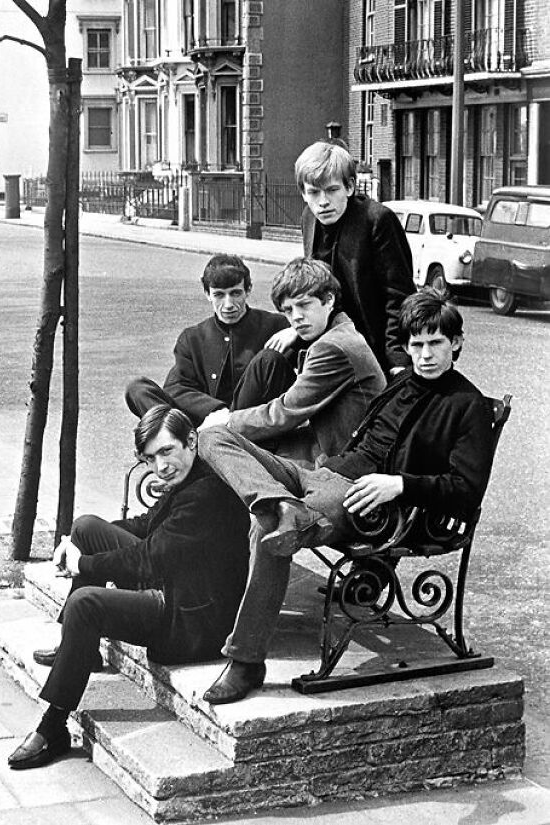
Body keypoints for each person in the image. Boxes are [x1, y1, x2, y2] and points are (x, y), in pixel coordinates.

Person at [197, 289, 495, 704]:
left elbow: (466, 491)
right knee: (212, 436)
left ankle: (245, 660)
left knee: (267, 531)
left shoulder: (468, 406)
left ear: (456, 343)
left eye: (435, 344)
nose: (425, 355)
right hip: (323, 473)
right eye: (416, 345)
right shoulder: (403, 382)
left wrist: (401, 484)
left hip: (367, 503)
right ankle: (278, 503)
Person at [7, 405, 250, 770]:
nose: (161, 466)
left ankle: (53, 726)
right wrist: (75, 543)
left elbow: (147, 558)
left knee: (85, 605)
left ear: (191, 441)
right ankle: (80, 652)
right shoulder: (190, 475)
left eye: (167, 451)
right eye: (151, 458)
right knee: (87, 526)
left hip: (191, 617)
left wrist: (82, 564)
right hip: (176, 583)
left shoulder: (207, 494)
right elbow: (147, 525)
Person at [199, 257, 386, 463]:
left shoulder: (332, 347)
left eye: (304, 305)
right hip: (331, 442)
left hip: (342, 458)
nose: (296, 317)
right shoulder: (340, 331)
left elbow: (285, 411)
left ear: (329, 300)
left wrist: (228, 422)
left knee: (241, 457)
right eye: (288, 310)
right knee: (265, 364)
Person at [125, 254, 290, 428]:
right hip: (205, 424)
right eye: (219, 295)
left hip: (250, 425)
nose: (228, 305)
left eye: (235, 293)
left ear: (248, 290)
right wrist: (215, 410)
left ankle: (191, 444)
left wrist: (294, 331)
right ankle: (184, 441)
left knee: (268, 357)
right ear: (207, 294)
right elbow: (176, 388)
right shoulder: (192, 337)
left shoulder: (276, 325)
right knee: (137, 388)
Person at [296, 141, 415, 376]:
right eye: (313, 192)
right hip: (328, 343)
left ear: (349, 187)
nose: (322, 202)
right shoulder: (309, 218)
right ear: (303, 193)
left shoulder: (377, 220)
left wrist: (397, 360)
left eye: (331, 190)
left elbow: (399, 296)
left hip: (372, 347)